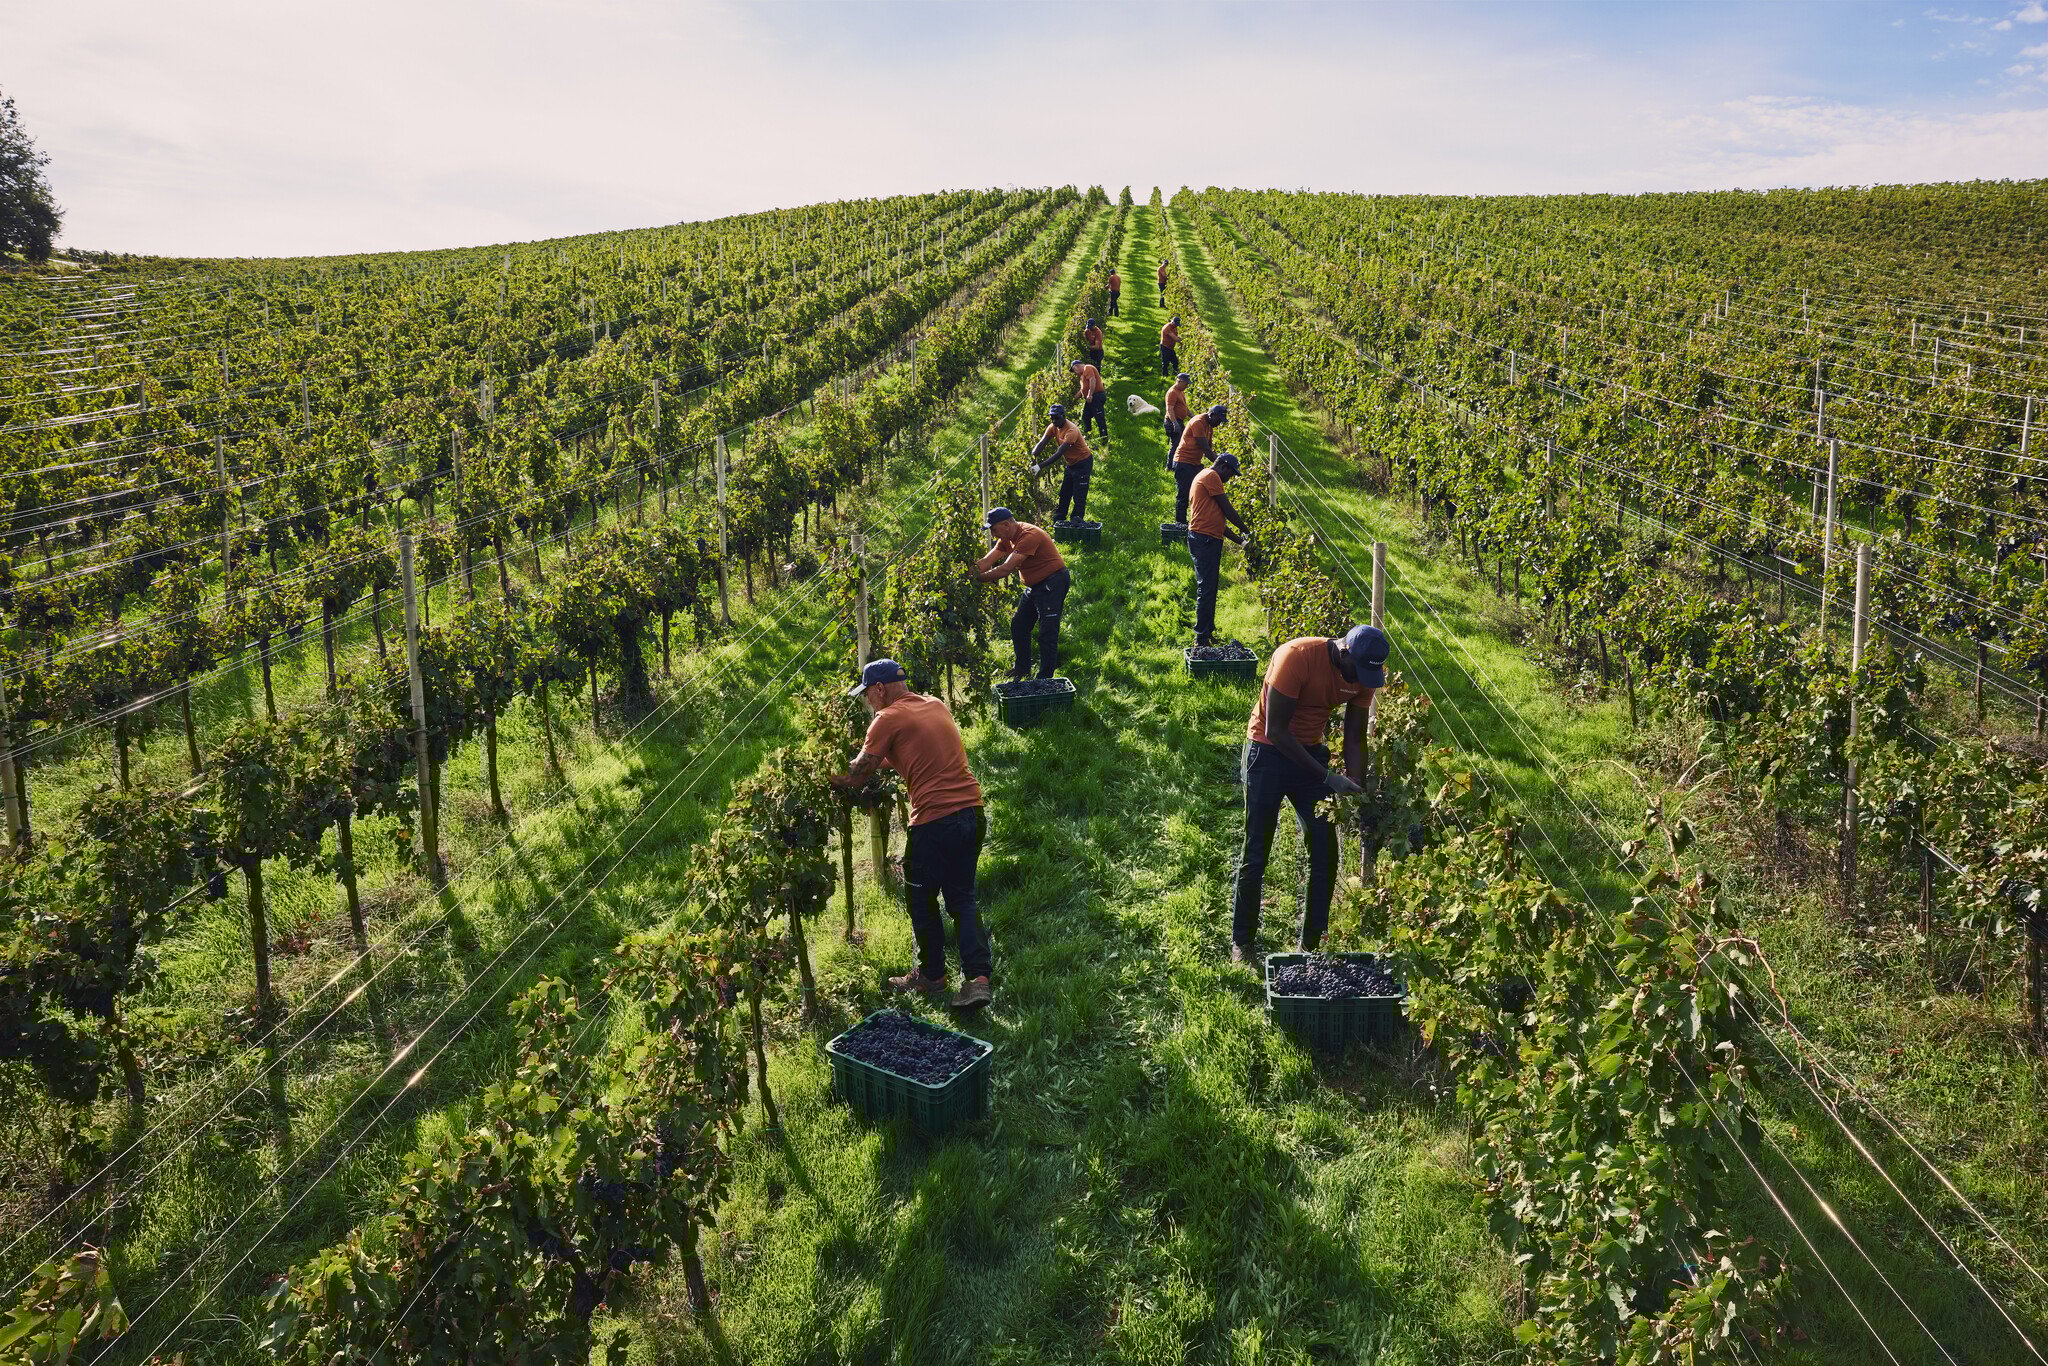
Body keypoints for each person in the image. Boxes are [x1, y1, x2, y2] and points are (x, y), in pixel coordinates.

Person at [832, 659, 992, 1008]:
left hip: (935, 822)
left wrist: (825, 775)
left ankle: (932, 975)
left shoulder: (886, 718)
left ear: (879, 689)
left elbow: (859, 772)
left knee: (921, 899)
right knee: (962, 897)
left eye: (867, 695)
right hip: (972, 814)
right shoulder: (933, 705)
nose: (868, 702)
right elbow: (903, 755)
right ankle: (978, 979)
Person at [1229, 626, 1388, 962]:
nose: (1361, 680)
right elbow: (1277, 730)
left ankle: (1310, 945)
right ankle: (1242, 941)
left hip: (1311, 755)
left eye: (1369, 674)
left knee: (1325, 851)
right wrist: (1328, 776)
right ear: (1343, 651)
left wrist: (1355, 782)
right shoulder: (1296, 657)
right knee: (1257, 850)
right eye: (1357, 672)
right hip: (1268, 752)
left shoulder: (1365, 671)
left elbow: (1355, 734)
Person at [974, 507, 1071, 681]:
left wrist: (978, 579)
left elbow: (1006, 568)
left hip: (1052, 583)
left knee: (1047, 633)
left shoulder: (1028, 536)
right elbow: (988, 560)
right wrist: (968, 573)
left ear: (1005, 524)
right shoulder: (1007, 538)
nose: (993, 535)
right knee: (1019, 625)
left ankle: (1045, 679)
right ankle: (1022, 668)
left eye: (994, 529)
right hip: (1034, 586)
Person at [1187, 452, 1250, 646]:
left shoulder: (1206, 478)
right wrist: (1247, 529)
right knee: (1206, 589)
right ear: (1223, 466)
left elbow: (1219, 522)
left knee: (1210, 588)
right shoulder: (1211, 476)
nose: (1230, 479)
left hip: (1208, 539)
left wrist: (1242, 542)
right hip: (1204, 540)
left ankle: (1207, 631)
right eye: (1230, 474)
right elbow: (1227, 509)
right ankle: (1201, 638)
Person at [1028, 402, 1095, 525]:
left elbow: (1059, 453)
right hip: (1070, 464)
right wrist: (1032, 457)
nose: (1054, 420)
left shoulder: (1071, 430)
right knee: (1065, 492)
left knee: (1079, 494)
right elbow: (1042, 443)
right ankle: (1059, 519)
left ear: (1063, 416)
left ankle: (1076, 521)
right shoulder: (1053, 426)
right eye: (1051, 417)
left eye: (1056, 417)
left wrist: (1039, 466)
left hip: (1083, 462)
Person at [1171, 402, 1226, 524]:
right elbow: (1206, 449)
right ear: (1211, 415)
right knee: (1183, 494)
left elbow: (1210, 449)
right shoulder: (1198, 422)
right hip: (1183, 462)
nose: (1219, 423)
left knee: (1199, 492)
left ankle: (1197, 520)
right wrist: (1223, 464)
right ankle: (1180, 523)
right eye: (1219, 420)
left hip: (1195, 463)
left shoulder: (1210, 426)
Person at [1069, 358, 1108, 440]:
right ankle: (1088, 436)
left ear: (1076, 366)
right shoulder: (1082, 376)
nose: (1075, 373)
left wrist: (1090, 395)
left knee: (1099, 418)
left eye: (1074, 370)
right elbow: (1082, 390)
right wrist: (1073, 399)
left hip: (1096, 396)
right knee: (1085, 416)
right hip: (1091, 398)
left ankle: (1104, 439)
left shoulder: (1087, 368)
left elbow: (1092, 380)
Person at [1161, 372, 1192, 477]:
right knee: (1176, 445)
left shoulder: (1180, 391)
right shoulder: (1172, 392)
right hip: (1173, 422)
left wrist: (1193, 416)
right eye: (1186, 383)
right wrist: (1175, 424)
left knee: (1179, 444)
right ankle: (1170, 467)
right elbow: (1169, 409)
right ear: (1180, 381)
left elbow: (1184, 407)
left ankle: (1175, 465)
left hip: (1178, 421)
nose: (1187, 386)